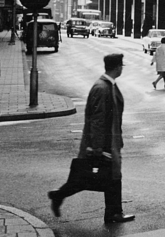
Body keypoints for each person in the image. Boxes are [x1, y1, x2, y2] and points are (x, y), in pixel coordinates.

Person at [48, 52, 132, 224]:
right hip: (104, 143)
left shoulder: (107, 85)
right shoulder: (102, 88)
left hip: (109, 141)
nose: (122, 68)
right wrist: (97, 147)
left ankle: (113, 212)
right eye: (121, 65)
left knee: (110, 177)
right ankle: (60, 195)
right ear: (117, 67)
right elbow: (98, 120)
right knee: (94, 178)